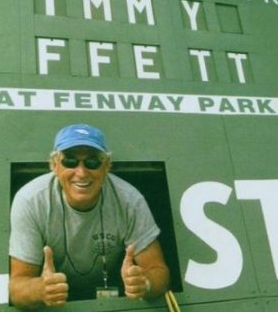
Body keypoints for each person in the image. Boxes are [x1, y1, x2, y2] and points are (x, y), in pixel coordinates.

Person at [9, 123, 170, 309]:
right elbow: (16, 287)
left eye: (92, 162)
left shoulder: (130, 200)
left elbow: (159, 272)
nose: (82, 173)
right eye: (70, 161)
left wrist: (145, 283)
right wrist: (39, 289)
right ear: (54, 165)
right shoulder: (30, 200)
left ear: (107, 166)